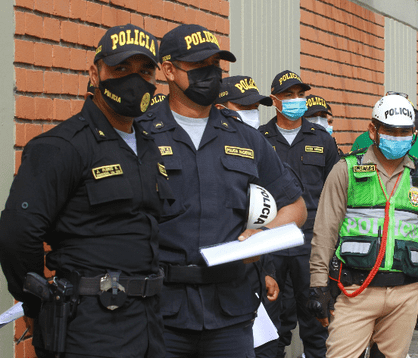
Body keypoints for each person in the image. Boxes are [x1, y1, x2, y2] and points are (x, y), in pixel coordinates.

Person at [0, 24, 172, 357]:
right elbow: (17, 234)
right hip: (90, 328)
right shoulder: (62, 146)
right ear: (95, 73)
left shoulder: (149, 148)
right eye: (120, 68)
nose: (133, 80)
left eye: (144, 71)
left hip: (148, 324)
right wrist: (36, 306)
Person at [136, 24, 307, 358]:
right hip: (159, 310)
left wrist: (262, 237)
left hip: (231, 313)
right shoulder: (140, 131)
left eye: (216, 66)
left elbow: (295, 206)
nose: (211, 75)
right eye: (200, 67)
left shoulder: (245, 138)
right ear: (169, 70)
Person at [307, 94, 418, 358]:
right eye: (390, 130)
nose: (398, 137)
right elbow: (325, 232)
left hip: (405, 293)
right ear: (373, 130)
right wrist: (318, 286)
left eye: (405, 131)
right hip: (354, 291)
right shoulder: (346, 170)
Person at [259, 70, 339, 358]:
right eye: (289, 95)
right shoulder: (259, 139)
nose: (296, 100)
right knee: (272, 321)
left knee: (317, 319)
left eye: (300, 95)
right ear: (274, 100)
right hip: (271, 242)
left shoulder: (322, 139)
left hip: (312, 244)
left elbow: (335, 193)